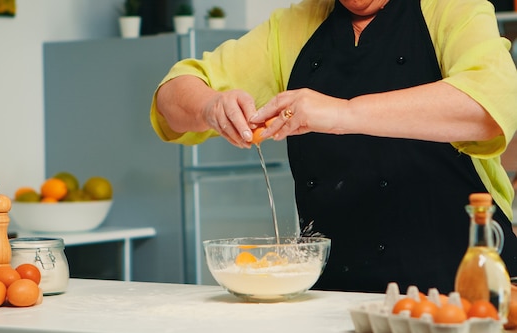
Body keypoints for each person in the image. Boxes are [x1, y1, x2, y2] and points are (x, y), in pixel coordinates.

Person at [150, 0, 517, 294]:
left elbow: (488, 105)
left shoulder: (454, 8)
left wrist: (343, 113)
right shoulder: (293, 26)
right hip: (334, 298)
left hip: (467, 288)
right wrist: (210, 106)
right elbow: (171, 97)